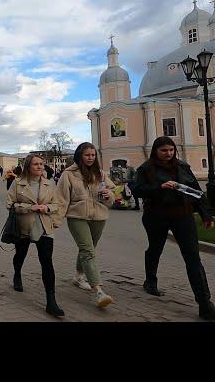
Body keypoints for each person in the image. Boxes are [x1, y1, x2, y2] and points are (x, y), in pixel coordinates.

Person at [131, 136, 215, 320]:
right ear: (155, 151)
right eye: (164, 151)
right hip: (156, 216)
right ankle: (150, 281)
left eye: (171, 150)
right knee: (155, 249)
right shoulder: (146, 168)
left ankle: (204, 303)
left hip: (183, 216)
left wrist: (205, 214)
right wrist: (159, 187)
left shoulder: (183, 167)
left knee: (193, 257)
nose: (168, 154)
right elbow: (136, 190)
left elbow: (196, 192)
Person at [55, 142, 116, 308]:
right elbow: (61, 199)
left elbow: (112, 192)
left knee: (88, 248)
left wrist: (108, 194)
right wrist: (55, 220)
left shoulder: (100, 174)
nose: (91, 158)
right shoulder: (68, 174)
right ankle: (99, 291)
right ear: (79, 156)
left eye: (93, 155)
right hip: (77, 216)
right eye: (87, 155)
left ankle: (78, 276)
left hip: (99, 216)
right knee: (88, 251)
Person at [6, 154, 64, 317]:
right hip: (24, 227)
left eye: (41, 164)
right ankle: (17, 274)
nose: (40, 167)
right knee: (20, 255)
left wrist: (47, 208)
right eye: (36, 164)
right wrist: (28, 208)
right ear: (28, 167)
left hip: (45, 227)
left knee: (47, 262)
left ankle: (51, 301)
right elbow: (9, 204)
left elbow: (57, 204)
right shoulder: (18, 183)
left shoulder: (49, 184)